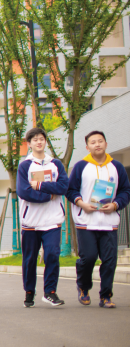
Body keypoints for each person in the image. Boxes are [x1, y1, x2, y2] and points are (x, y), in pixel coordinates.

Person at [66, 130, 130, 309]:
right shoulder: (81, 166)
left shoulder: (116, 167)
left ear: (106, 144)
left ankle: (106, 296)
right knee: (89, 258)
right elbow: (71, 191)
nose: (97, 144)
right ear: (87, 147)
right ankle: (83, 286)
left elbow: (126, 191)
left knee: (110, 261)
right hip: (86, 221)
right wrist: (82, 204)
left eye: (100, 141)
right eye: (93, 142)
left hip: (109, 223)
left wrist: (116, 205)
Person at [17, 127, 69, 308]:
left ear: (45, 141)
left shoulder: (56, 164)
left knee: (53, 255)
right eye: (35, 139)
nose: (39, 142)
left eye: (41, 139)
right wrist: (48, 195)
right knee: (30, 260)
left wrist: (39, 185)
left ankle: (50, 292)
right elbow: (24, 191)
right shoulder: (25, 166)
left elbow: (63, 187)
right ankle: (29, 291)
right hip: (31, 221)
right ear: (29, 144)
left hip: (52, 220)